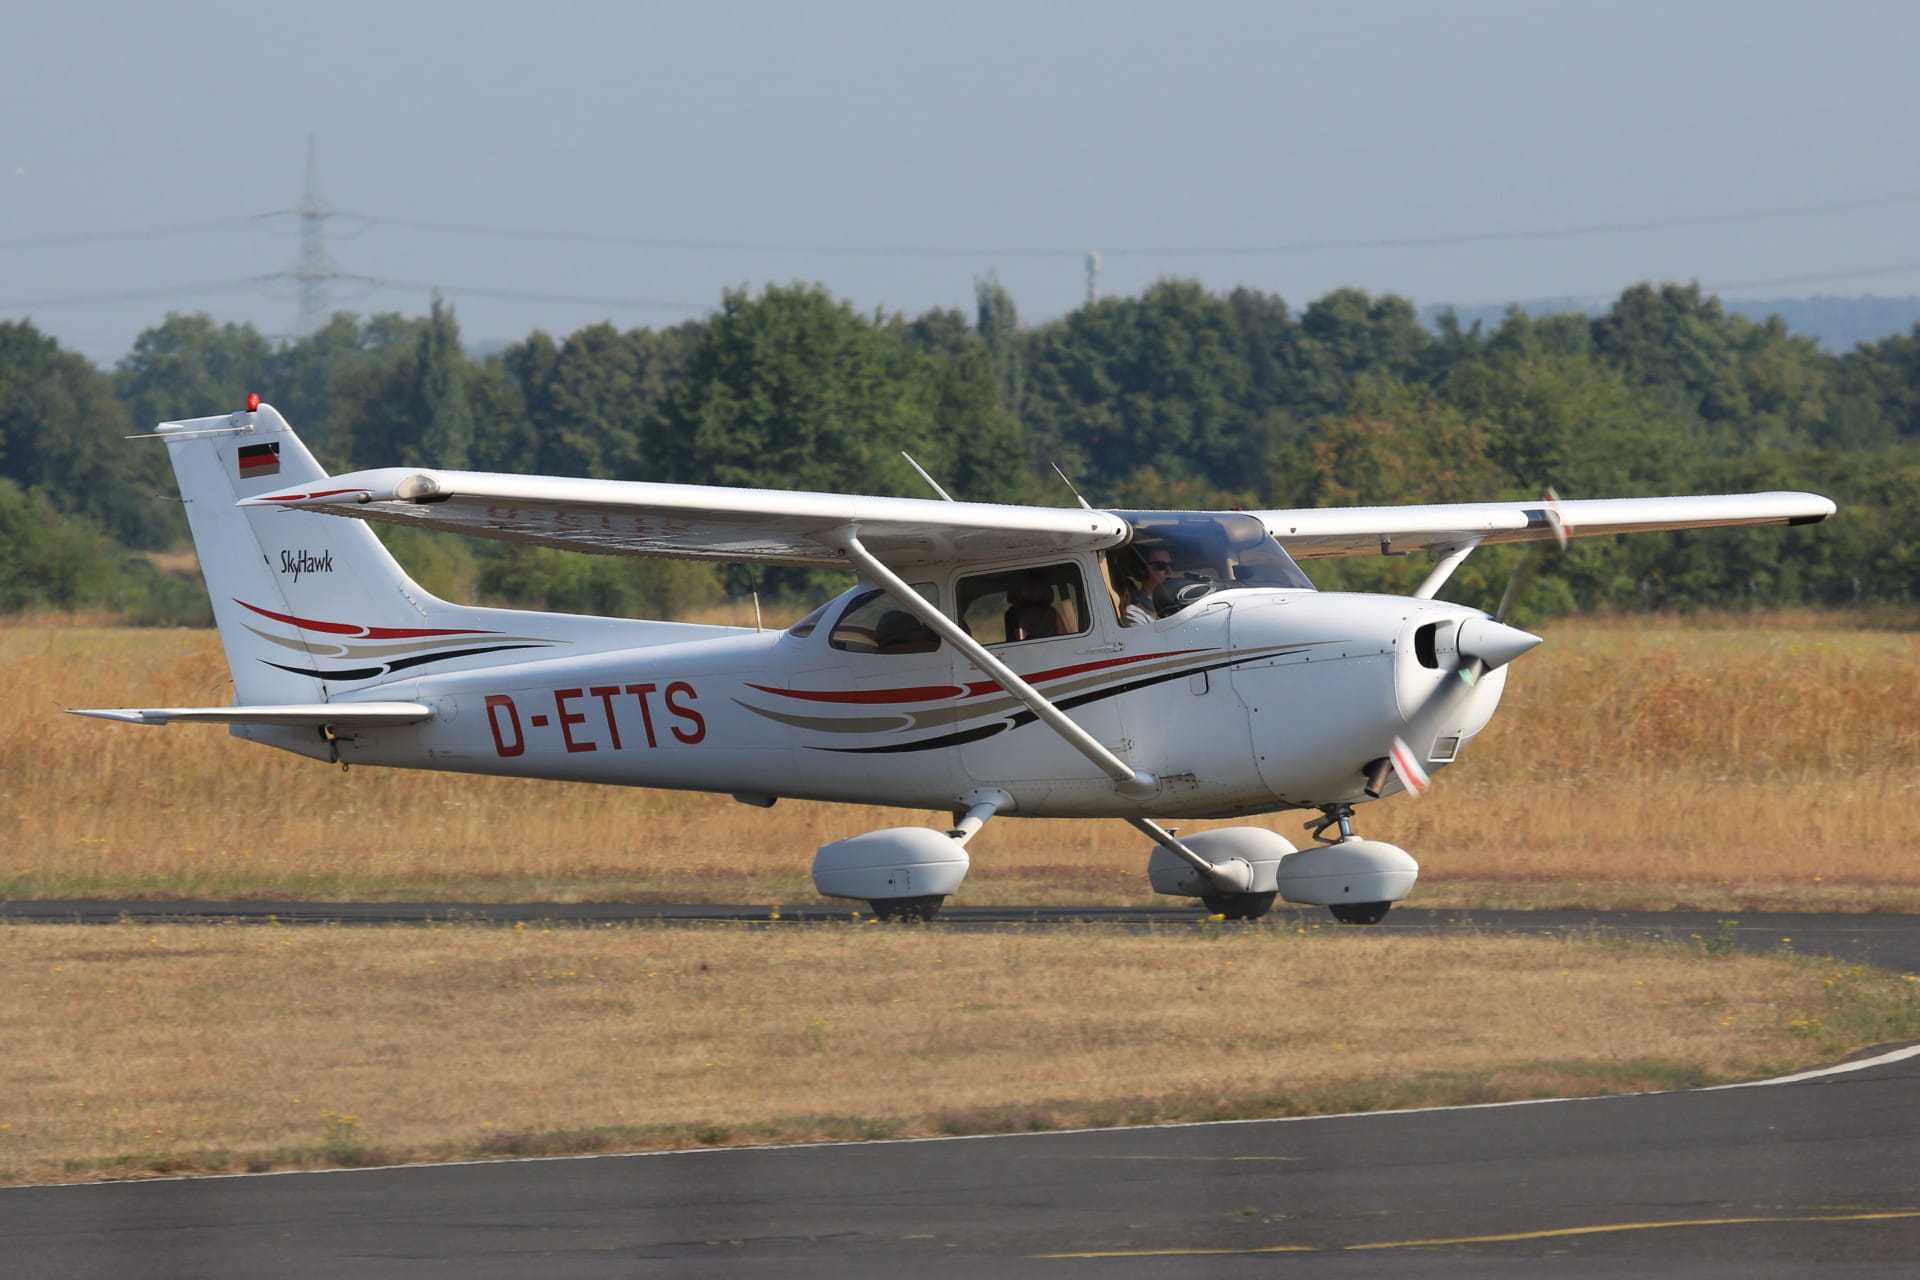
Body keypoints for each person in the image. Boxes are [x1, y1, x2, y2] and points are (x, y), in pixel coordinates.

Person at [1122, 548, 1174, 626]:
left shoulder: (1178, 603)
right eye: (1161, 566)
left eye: (1171, 565)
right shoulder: (1135, 613)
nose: (1169, 572)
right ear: (1142, 570)